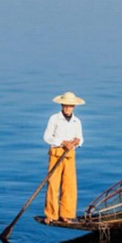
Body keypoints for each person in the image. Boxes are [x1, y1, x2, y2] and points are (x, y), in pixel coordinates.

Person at [43, 91, 84, 222]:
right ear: (61, 105)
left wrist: (77, 142)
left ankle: (66, 214)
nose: (67, 108)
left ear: (74, 107)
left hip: (69, 155)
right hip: (56, 153)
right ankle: (51, 214)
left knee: (69, 185)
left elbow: (81, 138)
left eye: (70, 106)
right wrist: (62, 142)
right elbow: (47, 137)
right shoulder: (54, 119)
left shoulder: (76, 121)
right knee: (53, 185)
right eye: (65, 105)